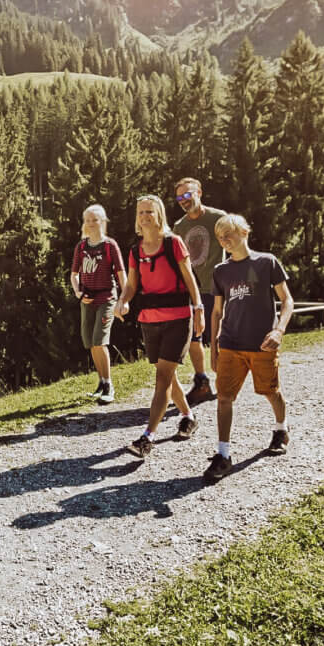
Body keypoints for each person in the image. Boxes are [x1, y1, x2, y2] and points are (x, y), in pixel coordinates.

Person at [206, 213, 295, 483]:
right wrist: (213, 349)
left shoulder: (267, 262)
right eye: (220, 237)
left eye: (229, 234)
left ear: (244, 232)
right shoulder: (221, 271)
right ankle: (223, 455)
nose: (225, 240)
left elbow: (287, 300)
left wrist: (279, 330)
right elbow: (217, 313)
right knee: (224, 398)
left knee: (270, 391)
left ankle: (281, 429)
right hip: (230, 343)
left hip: (262, 345)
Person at [114, 195, 204, 456]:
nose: (144, 217)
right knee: (169, 376)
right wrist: (124, 301)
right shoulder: (135, 250)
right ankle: (188, 415)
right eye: (141, 212)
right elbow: (131, 284)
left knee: (162, 377)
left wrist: (198, 309)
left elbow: (190, 280)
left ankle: (147, 437)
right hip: (149, 321)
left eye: (150, 212)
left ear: (159, 215)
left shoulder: (173, 243)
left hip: (177, 318)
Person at [171, 177, 226, 405]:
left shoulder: (218, 218)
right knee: (194, 337)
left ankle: (225, 381)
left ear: (199, 192)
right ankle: (202, 381)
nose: (184, 200)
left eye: (188, 195)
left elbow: (235, 246)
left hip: (216, 288)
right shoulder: (179, 227)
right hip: (192, 290)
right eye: (180, 197)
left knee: (218, 338)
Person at [70, 204, 128, 404]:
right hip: (86, 299)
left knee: (100, 340)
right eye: (88, 220)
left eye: (95, 220)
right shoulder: (82, 247)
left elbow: (121, 274)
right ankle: (101, 382)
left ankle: (109, 384)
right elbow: (74, 274)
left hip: (106, 298)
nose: (91, 224)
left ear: (102, 221)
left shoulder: (109, 245)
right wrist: (78, 293)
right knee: (90, 342)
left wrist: (123, 299)